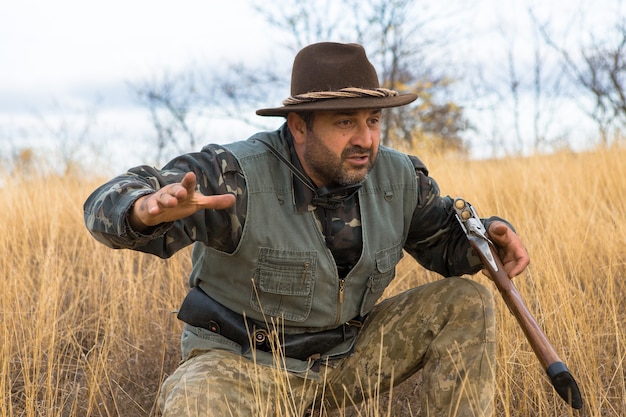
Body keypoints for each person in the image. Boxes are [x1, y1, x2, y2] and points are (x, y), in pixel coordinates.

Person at [84, 42, 530, 417]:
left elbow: (446, 245)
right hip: (245, 367)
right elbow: (107, 200)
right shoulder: (234, 175)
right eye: (345, 122)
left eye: (373, 120)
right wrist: (142, 210)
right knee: (192, 401)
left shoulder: (399, 178)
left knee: (466, 302)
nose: (366, 139)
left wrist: (487, 238)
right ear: (299, 125)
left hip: (346, 358)